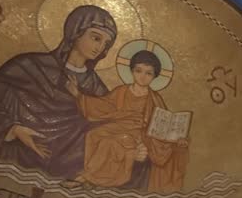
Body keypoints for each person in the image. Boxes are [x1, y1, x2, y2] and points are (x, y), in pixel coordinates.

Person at [0, 5, 116, 180]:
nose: (100, 47)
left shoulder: (98, 91)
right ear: (76, 32)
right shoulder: (27, 66)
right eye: (96, 38)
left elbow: (106, 137)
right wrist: (12, 129)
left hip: (62, 174)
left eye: (106, 44)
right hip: (10, 161)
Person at [71, 49, 189, 190]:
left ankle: (88, 178)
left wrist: (176, 139)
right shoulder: (122, 91)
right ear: (132, 71)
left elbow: (164, 125)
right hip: (118, 126)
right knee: (94, 134)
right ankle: (94, 177)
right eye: (139, 71)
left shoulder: (155, 99)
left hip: (139, 133)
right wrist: (79, 95)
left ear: (154, 76)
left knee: (112, 143)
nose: (142, 76)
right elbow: (103, 106)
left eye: (148, 73)